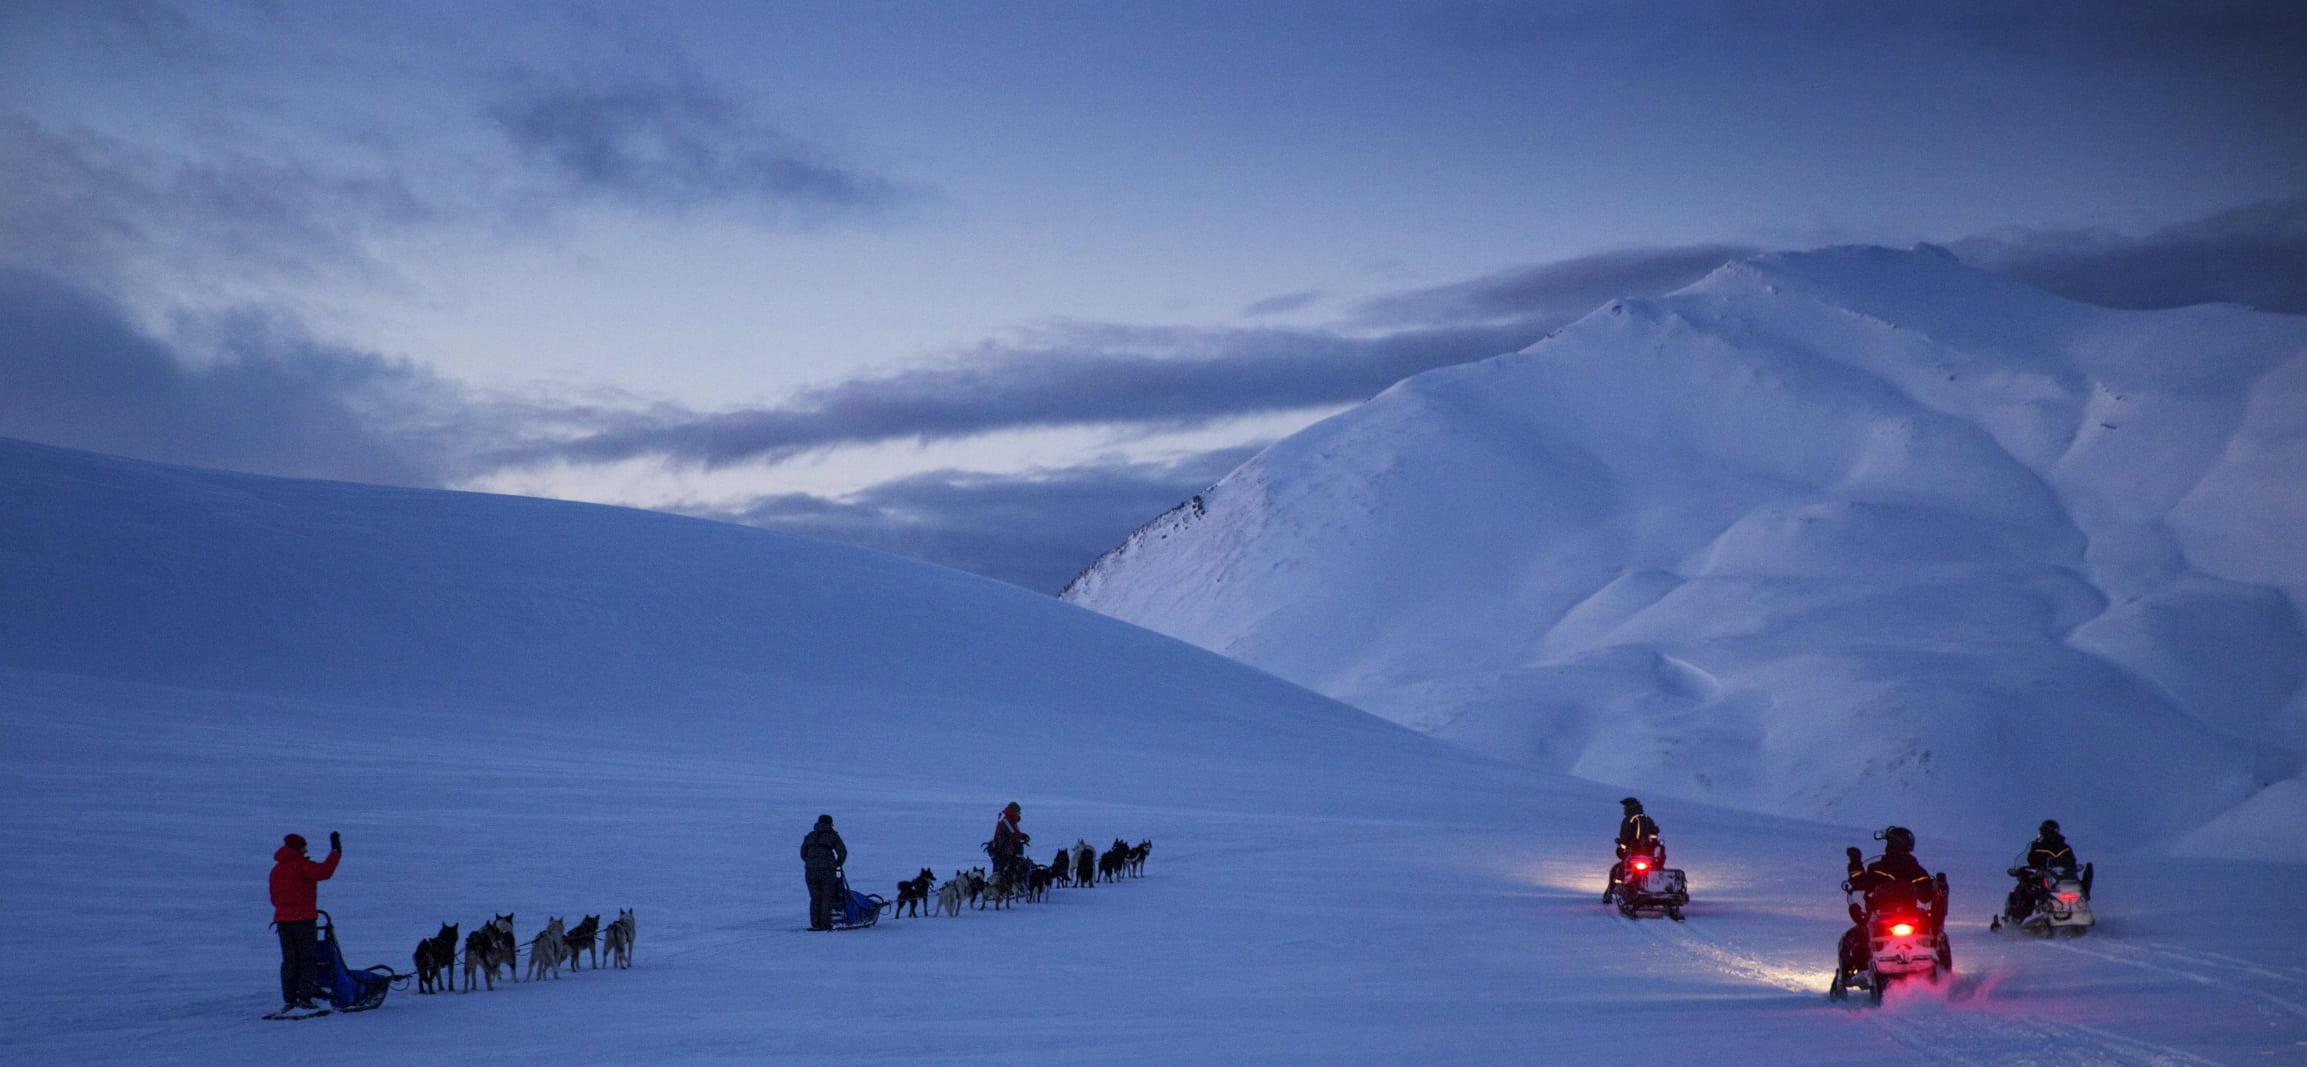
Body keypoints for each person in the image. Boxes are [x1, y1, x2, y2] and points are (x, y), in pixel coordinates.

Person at [270, 831, 342, 1013]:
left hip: (283, 922)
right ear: (297, 848)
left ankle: (290, 999)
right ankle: (305, 998)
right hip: (303, 921)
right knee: (306, 960)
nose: (306, 849)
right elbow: (324, 872)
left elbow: (274, 898)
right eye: (304, 846)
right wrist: (335, 852)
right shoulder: (301, 865)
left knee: (289, 961)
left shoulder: (276, 870)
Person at [1604, 797, 1663, 902]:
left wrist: (1621, 847)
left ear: (1629, 807)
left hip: (1633, 852)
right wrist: (1652, 845)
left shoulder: (1629, 820)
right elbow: (1655, 834)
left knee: (1620, 869)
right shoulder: (1647, 818)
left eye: (1625, 807)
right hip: (1648, 854)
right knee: (1653, 868)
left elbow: (1624, 837)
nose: (1624, 809)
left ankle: (1614, 890)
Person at [800, 814, 848, 932]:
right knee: (827, 897)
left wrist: (811, 863)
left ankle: (815, 924)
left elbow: (803, 853)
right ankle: (825, 924)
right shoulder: (833, 836)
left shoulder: (810, 836)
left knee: (815, 897)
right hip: (827, 871)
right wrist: (837, 863)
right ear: (830, 824)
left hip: (810, 871)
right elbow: (842, 852)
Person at [989, 802, 1029, 880]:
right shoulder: (1007, 821)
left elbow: (1014, 833)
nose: (1019, 813)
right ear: (1013, 811)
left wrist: (1021, 835)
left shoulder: (1011, 821)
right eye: (1018, 811)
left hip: (1007, 849)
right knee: (1003, 871)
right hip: (1004, 850)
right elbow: (1014, 834)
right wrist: (1022, 836)